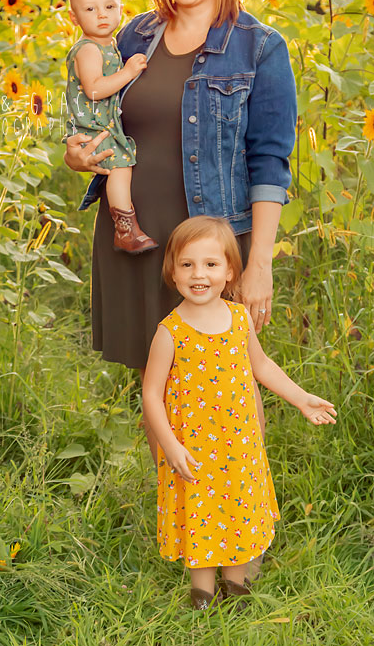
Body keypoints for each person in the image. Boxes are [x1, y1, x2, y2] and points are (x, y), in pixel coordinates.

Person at [63, 0, 297, 404]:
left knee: (226, 379)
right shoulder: (132, 37)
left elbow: (270, 162)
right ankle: (174, 486)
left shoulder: (259, 48)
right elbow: (92, 113)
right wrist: (78, 155)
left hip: (210, 244)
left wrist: (258, 265)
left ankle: (242, 485)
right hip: (135, 235)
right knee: (156, 383)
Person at [142, 216, 337, 610]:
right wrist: (170, 447)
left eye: (211, 264)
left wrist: (301, 398)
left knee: (238, 509)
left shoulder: (238, 318)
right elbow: (150, 396)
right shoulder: (170, 332)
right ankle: (202, 596)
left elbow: (262, 367)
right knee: (201, 512)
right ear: (173, 272)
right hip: (193, 449)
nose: (199, 274)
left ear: (230, 271)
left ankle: (237, 591)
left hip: (238, 445)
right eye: (187, 264)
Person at [65, 0, 157, 253]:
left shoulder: (109, 44)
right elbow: (93, 89)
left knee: (121, 164)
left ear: (121, 9)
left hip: (102, 121)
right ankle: (125, 228)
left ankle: (126, 225)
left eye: (109, 6)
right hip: (92, 126)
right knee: (120, 165)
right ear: (74, 18)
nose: (102, 15)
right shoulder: (89, 49)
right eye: (90, 9)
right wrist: (128, 72)